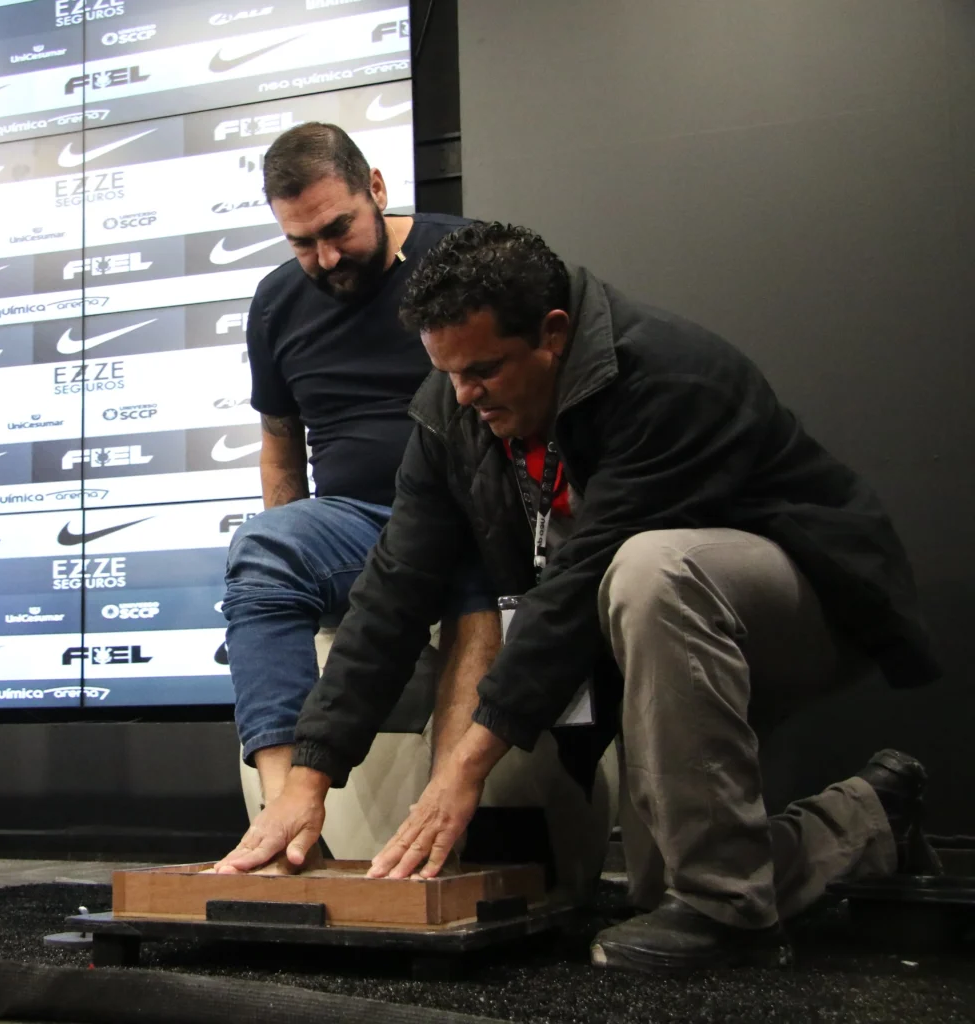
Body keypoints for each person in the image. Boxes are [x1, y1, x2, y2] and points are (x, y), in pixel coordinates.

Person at [218, 222, 942, 972]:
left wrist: (460, 770)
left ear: (553, 334)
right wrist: (308, 779)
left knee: (649, 567)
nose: (464, 396)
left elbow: (574, 590)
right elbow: (392, 591)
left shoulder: (668, 378)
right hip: (658, 630)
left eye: (484, 371)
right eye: (448, 373)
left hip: (799, 602)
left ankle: (731, 916)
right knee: (660, 884)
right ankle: (870, 818)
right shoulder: (453, 406)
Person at [221, 122, 498, 818]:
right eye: (301, 242)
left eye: (339, 228)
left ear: (375, 187)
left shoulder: (462, 258)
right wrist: (289, 529)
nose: (326, 255)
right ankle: (285, 819)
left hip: (471, 508)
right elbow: (280, 441)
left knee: (463, 551)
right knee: (261, 550)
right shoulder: (277, 302)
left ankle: (443, 822)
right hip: (360, 523)